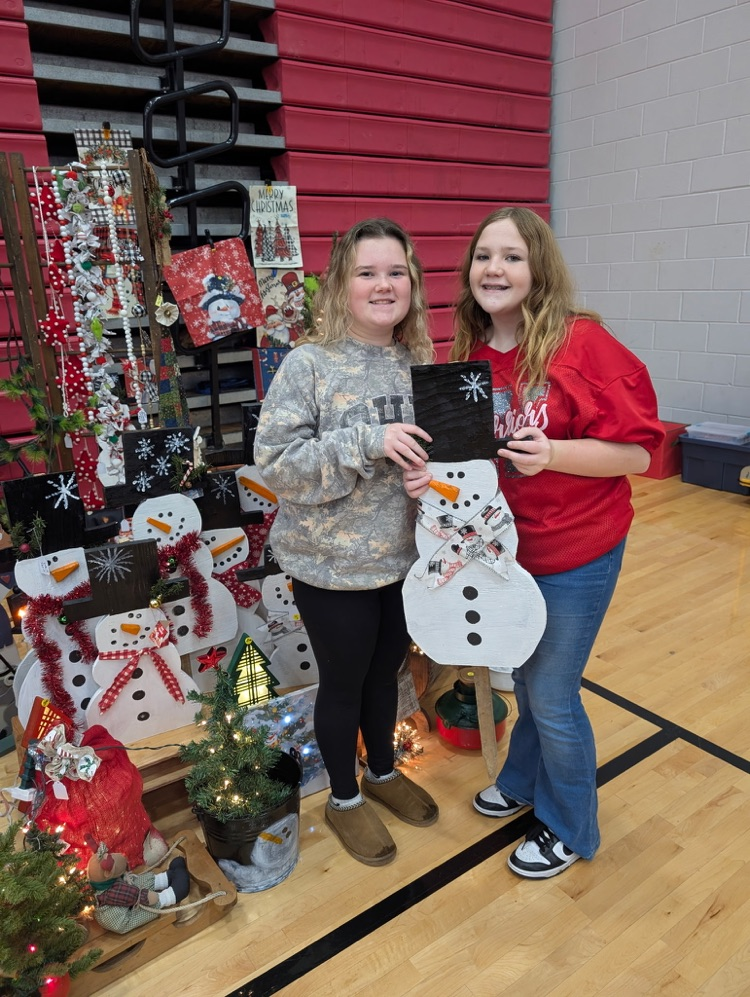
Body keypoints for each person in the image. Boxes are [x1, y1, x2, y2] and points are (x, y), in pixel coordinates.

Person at [404, 207, 664, 879]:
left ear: (538, 268)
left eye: (512, 256)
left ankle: (570, 826)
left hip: (577, 551)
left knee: (550, 692)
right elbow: (465, 464)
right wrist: (426, 478)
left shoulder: (581, 343)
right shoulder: (467, 352)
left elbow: (637, 454)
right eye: (483, 255)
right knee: (521, 674)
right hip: (504, 552)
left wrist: (551, 454)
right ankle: (522, 780)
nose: (495, 268)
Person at [254, 218, 439, 866]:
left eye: (396, 272)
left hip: (401, 558)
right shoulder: (310, 363)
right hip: (332, 567)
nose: (383, 284)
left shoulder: (417, 360)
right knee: (343, 681)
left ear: (411, 283)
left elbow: (440, 450)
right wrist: (366, 441)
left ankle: (383, 773)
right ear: (342, 283)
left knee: (387, 672)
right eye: (368, 272)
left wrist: (434, 477)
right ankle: (344, 797)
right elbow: (274, 464)